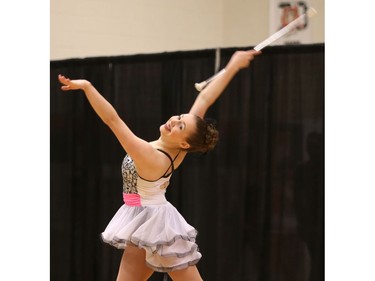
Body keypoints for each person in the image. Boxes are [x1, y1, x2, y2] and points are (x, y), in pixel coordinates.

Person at [58, 49, 261, 281]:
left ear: (184, 143)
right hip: (141, 220)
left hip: (157, 226)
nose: (175, 120)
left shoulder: (151, 156)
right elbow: (204, 98)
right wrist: (233, 66)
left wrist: (87, 87)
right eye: (180, 117)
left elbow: (112, 120)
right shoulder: (176, 147)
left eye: (181, 126)